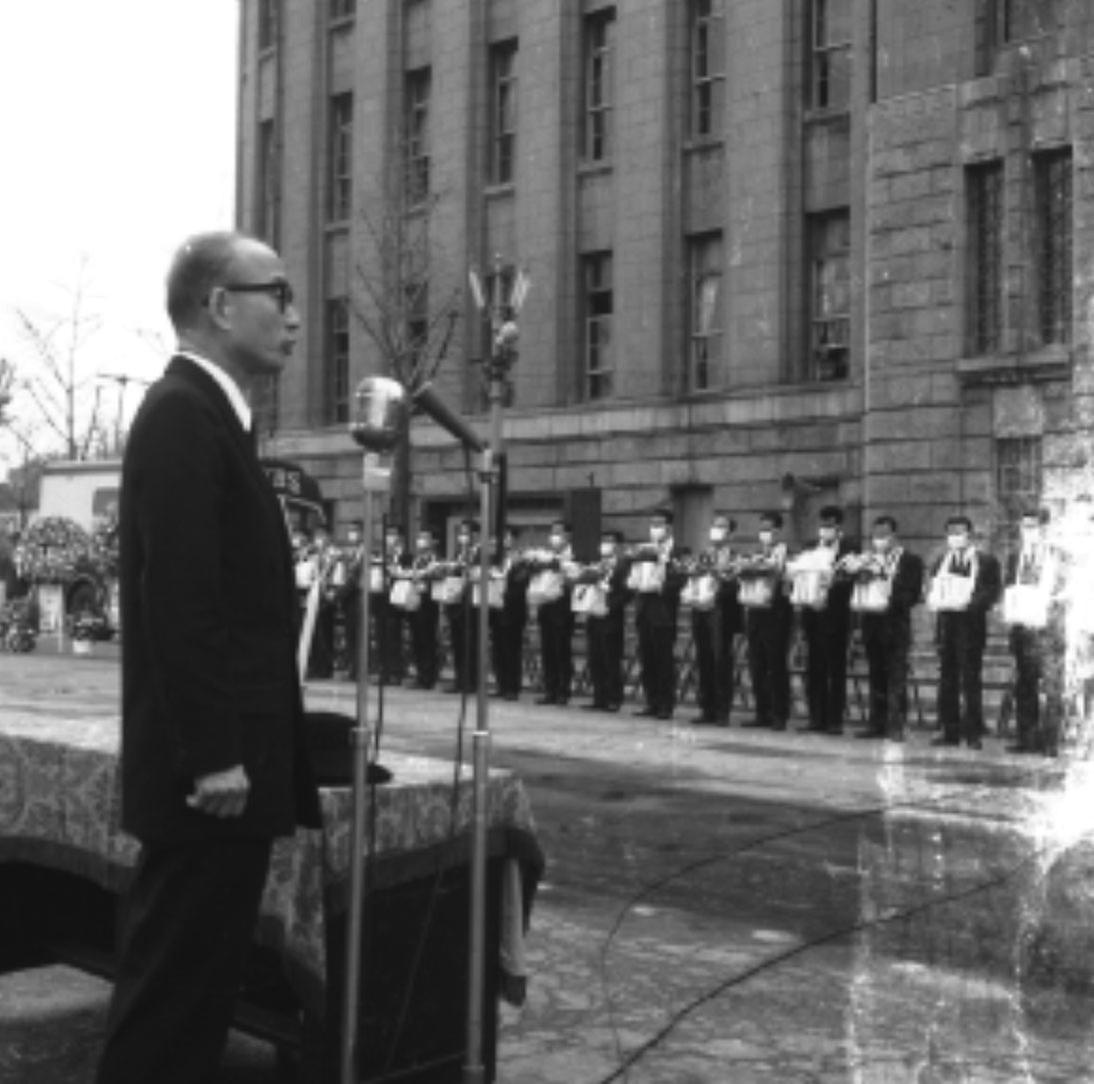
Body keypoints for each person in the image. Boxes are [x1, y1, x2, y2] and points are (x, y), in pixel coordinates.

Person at [95, 231, 321, 1084]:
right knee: (170, 1000)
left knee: (196, 996)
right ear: (221, 306)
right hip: (210, 781)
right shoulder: (183, 415)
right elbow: (181, 604)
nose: (295, 317)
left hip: (226, 772)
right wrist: (216, 753)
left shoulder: (216, 415)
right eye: (280, 294)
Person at [927, 514, 1002, 750]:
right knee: (947, 679)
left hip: (970, 626)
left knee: (970, 679)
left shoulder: (985, 561)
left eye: (960, 532)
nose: (955, 537)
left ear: (970, 535)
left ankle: (973, 732)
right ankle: (949, 730)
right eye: (951, 533)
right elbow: (932, 587)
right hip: (947, 625)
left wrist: (970, 604)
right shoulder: (941, 560)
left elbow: (991, 591)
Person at [850, 516, 924, 741]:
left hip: (895, 624)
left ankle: (896, 725)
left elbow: (912, 595)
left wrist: (887, 588)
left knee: (896, 675)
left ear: (894, 536)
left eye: (884, 535)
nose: (879, 540)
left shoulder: (909, 560)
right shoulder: (868, 559)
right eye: (875, 536)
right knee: (876, 674)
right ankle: (876, 723)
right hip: (872, 622)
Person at [1003, 507, 1063, 754]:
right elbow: (1009, 589)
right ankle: (1026, 738)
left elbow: (1069, 589)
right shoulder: (1015, 557)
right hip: (1023, 629)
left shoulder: (1059, 556)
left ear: (1045, 529)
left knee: (1051, 687)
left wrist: (1052, 599)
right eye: (1025, 527)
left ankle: (1050, 741)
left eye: (1034, 527)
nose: (1029, 532)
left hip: (1048, 631)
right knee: (1025, 685)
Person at [791, 506, 855, 734]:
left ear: (839, 526)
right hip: (812, 614)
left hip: (835, 616)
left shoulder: (849, 549)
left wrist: (834, 584)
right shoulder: (810, 547)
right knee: (814, 667)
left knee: (835, 669)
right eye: (822, 525)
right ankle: (815, 717)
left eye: (830, 525)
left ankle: (834, 720)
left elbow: (851, 581)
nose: (825, 529)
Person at [631, 510, 686, 720]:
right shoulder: (645, 549)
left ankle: (665, 703)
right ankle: (651, 701)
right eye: (652, 524)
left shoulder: (677, 551)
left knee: (663, 659)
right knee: (647, 657)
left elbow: (679, 579)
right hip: (645, 607)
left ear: (669, 527)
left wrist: (662, 585)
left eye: (659, 524)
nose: (655, 528)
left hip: (663, 610)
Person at [740, 512, 792, 731]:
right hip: (755, 612)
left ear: (779, 531)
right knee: (757, 665)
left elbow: (788, 582)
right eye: (762, 529)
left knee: (776, 665)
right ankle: (762, 712)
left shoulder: (786, 553)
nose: (764, 534)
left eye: (769, 529)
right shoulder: (756, 553)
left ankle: (779, 714)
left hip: (776, 614)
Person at [689, 512, 741, 726]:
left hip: (720, 611)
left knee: (721, 660)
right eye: (715, 525)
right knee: (704, 659)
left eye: (722, 527)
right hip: (701, 609)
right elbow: (695, 574)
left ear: (729, 533)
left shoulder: (734, 555)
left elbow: (734, 584)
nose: (717, 530)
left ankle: (722, 710)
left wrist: (718, 575)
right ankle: (707, 707)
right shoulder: (705, 553)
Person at [580, 528, 631, 713]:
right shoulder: (597, 563)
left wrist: (612, 605)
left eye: (610, 541)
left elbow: (627, 591)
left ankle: (613, 697)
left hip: (611, 615)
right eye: (604, 540)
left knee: (611, 657)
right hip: (594, 613)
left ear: (619, 545)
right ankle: (599, 696)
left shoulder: (623, 564)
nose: (606, 544)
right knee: (595, 657)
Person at [531, 520, 576, 705]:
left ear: (568, 535)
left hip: (562, 606)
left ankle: (563, 690)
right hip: (545, 604)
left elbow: (574, 577)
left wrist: (560, 566)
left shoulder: (573, 554)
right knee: (548, 649)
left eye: (559, 533)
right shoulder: (546, 554)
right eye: (552, 533)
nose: (554, 537)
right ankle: (550, 688)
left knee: (561, 648)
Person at [490, 525, 531, 700]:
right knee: (498, 648)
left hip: (513, 608)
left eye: (507, 537)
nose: (503, 541)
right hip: (496, 607)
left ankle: (512, 687)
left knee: (511, 649)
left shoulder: (521, 559)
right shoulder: (495, 558)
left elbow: (522, 582)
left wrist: (506, 590)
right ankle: (501, 684)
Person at [444, 519, 479, 693]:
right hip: (455, 602)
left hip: (471, 603)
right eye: (461, 533)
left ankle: (471, 681)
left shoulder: (479, 552)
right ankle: (460, 679)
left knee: (470, 643)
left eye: (467, 533)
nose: (463, 537)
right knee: (457, 643)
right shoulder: (458, 553)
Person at [406, 526, 441, 689]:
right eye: (419, 537)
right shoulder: (417, 558)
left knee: (428, 639)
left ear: (433, 541)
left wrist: (426, 575)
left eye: (425, 538)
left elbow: (436, 576)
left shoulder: (435, 559)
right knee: (417, 639)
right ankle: (420, 674)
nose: (421, 541)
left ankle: (429, 676)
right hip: (416, 600)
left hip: (429, 603)